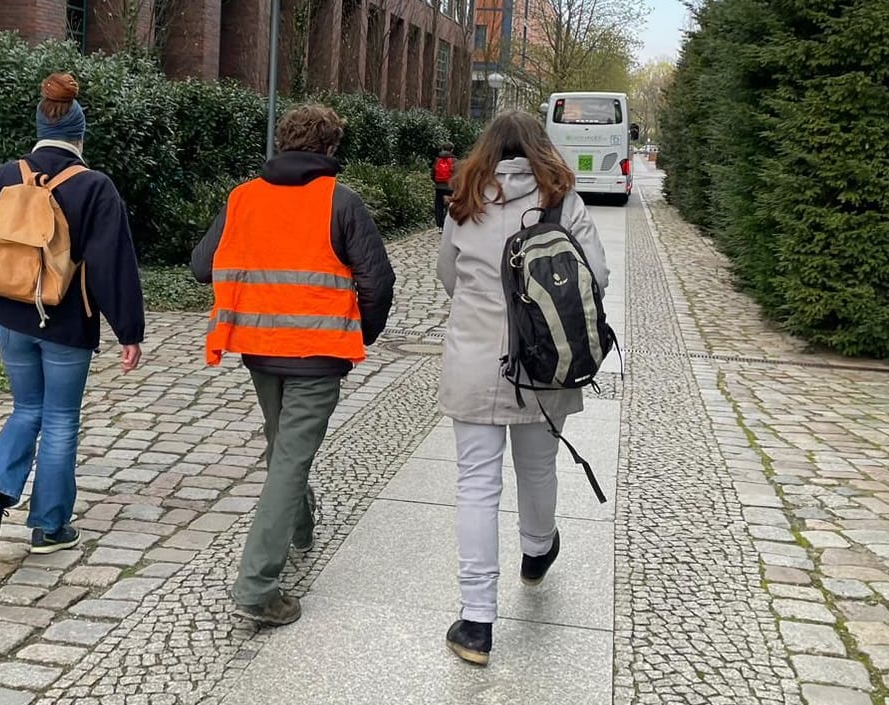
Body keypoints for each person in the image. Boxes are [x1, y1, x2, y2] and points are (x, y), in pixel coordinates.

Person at [191, 104, 395, 626]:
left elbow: (201, 265)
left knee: (283, 446)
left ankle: (300, 528)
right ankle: (257, 586)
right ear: (329, 149)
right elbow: (377, 282)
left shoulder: (244, 198)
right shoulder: (340, 203)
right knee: (288, 459)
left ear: (283, 143)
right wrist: (358, 334)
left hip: (259, 350)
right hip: (319, 355)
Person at [436, 110, 609, 665]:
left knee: (476, 487)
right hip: (546, 361)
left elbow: (447, 276)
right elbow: (596, 279)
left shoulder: (465, 199)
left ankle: (477, 622)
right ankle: (537, 550)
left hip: (475, 361)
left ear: (486, 148)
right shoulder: (564, 201)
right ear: (541, 147)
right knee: (538, 468)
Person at [0, 73, 145, 555]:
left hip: (8, 314)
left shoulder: (6, 176)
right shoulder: (95, 187)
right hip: (64, 322)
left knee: (26, 408)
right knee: (60, 419)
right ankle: (50, 527)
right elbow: (111, 265)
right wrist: (129, 330)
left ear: (39, 126)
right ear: (80, 135)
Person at [432, 142, 457, 228]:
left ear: (442, 149)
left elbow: (433, 174)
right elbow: (458, 174)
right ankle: (448, 224)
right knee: (450, 204)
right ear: (452, 149)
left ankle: (440, 226)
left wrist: (437, 182)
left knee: (439, 205)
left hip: (439, 187)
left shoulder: (437, 160)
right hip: (451, 187)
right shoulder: (455, 161)